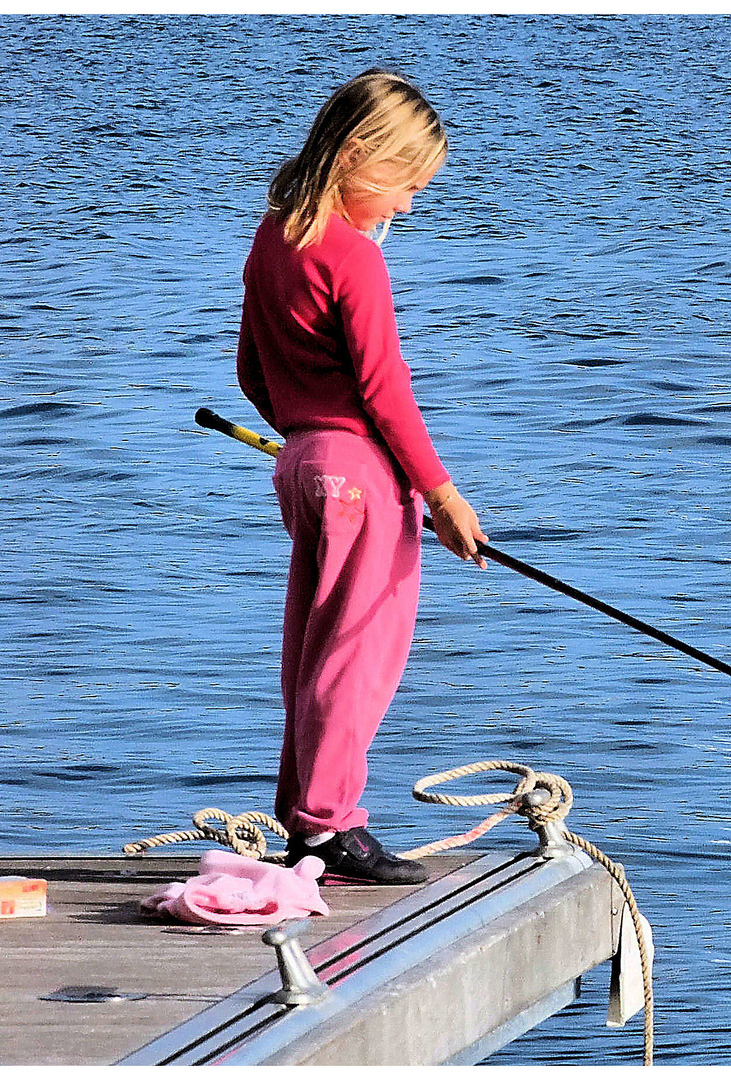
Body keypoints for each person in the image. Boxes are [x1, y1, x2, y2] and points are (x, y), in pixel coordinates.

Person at [236, 68, 487, 884]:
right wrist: (443, 495)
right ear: (355, 156)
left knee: (310, 651)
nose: (409, 206)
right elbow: (386, 390)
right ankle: (330, 826)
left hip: (305, 462)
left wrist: (309, 439)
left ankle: (305, 819)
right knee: (357, 657)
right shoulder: (354, 259)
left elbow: (251, 372)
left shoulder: (272, 240)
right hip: (361, 477)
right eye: (405, 184)